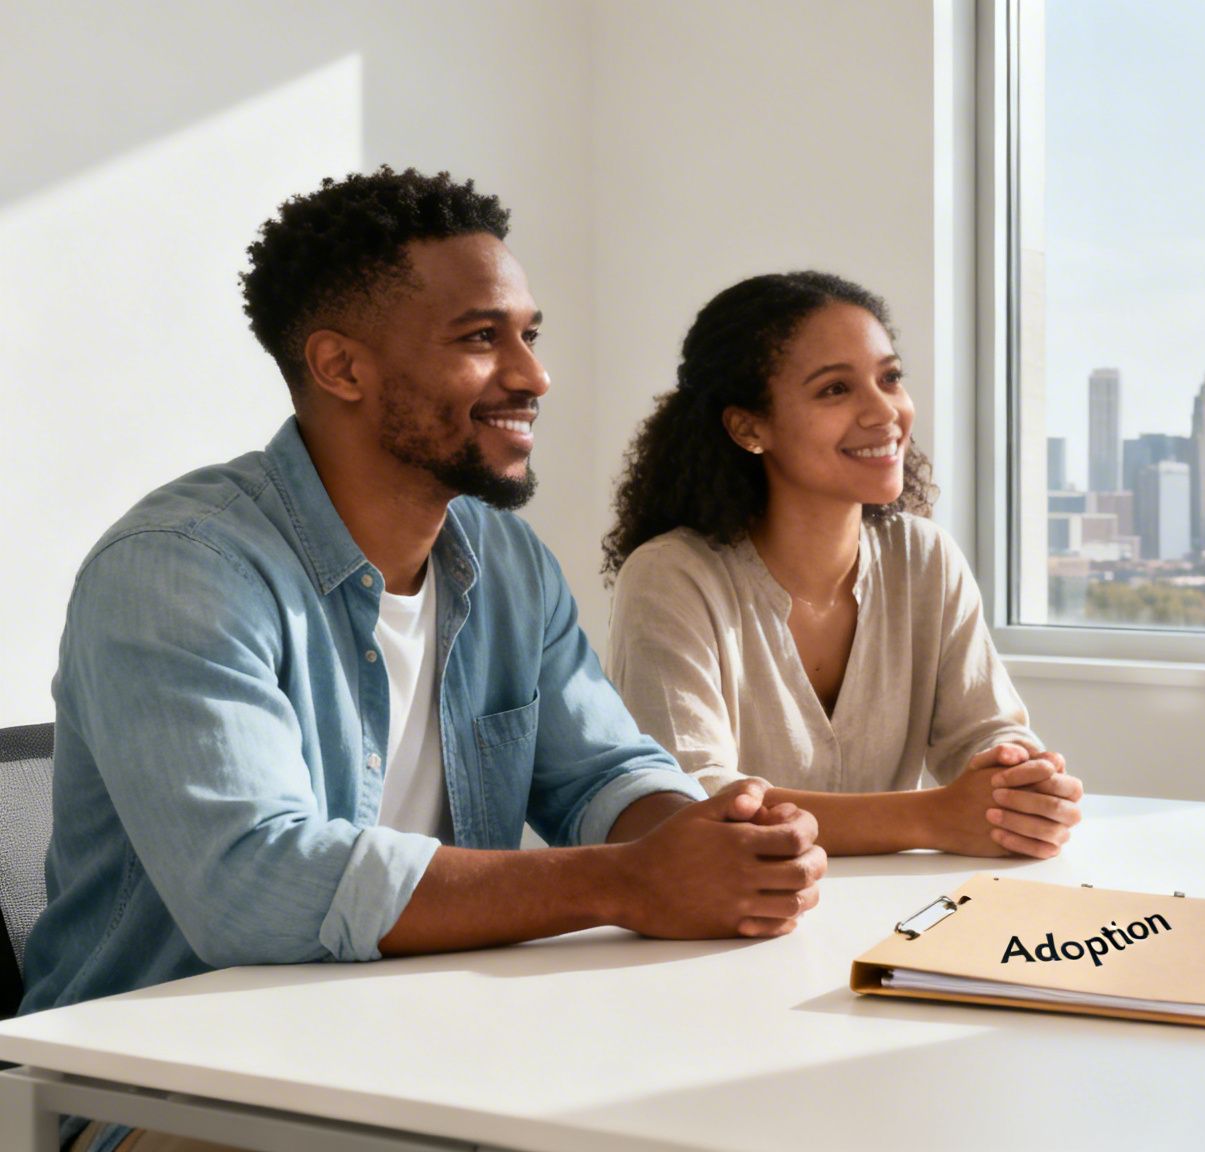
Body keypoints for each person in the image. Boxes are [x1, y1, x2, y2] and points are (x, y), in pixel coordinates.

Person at [25, 169, 825, 1152]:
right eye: (482, 339)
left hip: (421, 1042)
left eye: (529, 334)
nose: (532, 376)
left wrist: (706, 837)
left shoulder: (503, 558)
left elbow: (602, 773)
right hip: (168, 1094)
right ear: (341, 367)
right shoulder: (180, 570)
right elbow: (254, 882)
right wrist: (628, 883)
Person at [603, 272, 1082, 857]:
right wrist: (931, 818)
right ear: (748, 426)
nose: (885, 412)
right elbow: (694, 804)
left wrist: (1021, 783)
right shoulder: (671, 578)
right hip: (732, 935)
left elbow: (985, 732)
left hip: (896, 918)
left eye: (890, 378)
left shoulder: (925, 558)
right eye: (835, 389)